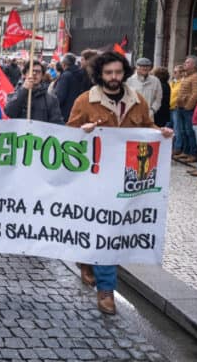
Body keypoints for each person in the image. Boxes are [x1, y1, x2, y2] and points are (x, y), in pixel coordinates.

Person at [67, 51, 173, 315]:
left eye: (117, 72)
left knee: (112, 232)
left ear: (123, 72)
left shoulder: (136, 100)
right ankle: (96, 275)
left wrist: (161, 133)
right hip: (95, 177)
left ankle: (100, 279)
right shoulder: (84, 101)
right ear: (99, 74)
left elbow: (147, 126)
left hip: (126, 180)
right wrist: (83, 132)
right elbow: (67, 136)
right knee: (99, 228)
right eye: (108, 73)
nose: (113, 78)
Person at [174, 55, 197, 164]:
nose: (184, 64)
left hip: (188, 109)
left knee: (190, 132)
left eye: (187, 62)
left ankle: (193, 154)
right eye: (185, 62)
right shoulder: (186, 76)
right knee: (183, 131)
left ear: (194, 65)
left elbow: (196, 94)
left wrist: (188, 106)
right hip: (180, 107)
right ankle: (185, 151)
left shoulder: (196, 76)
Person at [54, 53, 90, 122]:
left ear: (63, 64)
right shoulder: (83, 73)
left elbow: (60, 96)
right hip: (81, 109)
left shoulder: (66, 76)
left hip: (66, 112)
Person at [169, 65, 185, 155]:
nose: (174, 74)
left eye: (176, 72)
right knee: (169, 128)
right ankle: (169, 146)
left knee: (177, 129)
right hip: (169, 108)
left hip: (176, 108)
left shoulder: (182, 83)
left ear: (181, 73)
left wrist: (177, 104)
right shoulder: (172, 82)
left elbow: (179, 95)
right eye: (173, 72)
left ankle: (177, 147)